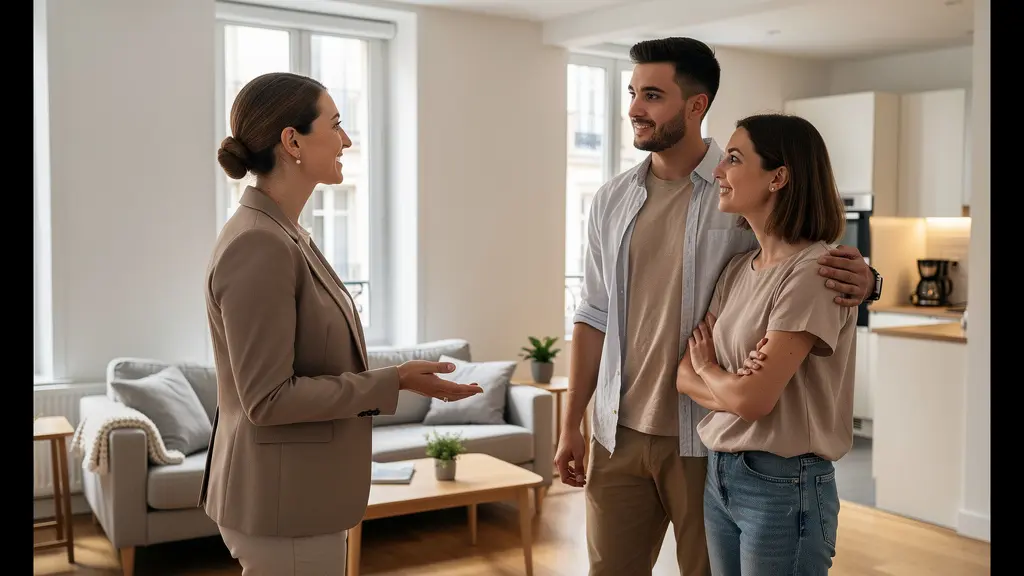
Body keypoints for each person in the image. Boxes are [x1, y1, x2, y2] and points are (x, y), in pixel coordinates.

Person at [553, 38, 882, 576]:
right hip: (618, 431)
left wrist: (869, 281)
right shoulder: (611, 199)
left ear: (696, 105)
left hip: (706, 438)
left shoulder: (738, 191)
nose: (634, 108)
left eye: (652, 95)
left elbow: (802, 258)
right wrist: (572, 424)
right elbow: (593, 314)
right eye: (632, 92)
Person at [199, 72, 482, 575]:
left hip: (297, 498)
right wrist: (391, 381)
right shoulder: (259, 243)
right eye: (336, 124)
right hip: (283, 506)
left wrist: (395, 379)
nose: (347, 139)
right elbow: (267, 399)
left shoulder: (286, 234)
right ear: (292, 141)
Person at [676, 112, 858, 575]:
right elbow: (683, 375)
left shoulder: (815, 271)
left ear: (778, 177)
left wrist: (714, 373)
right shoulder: (741, 268)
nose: (718, 170)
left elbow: (753, 400)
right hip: (722, 473)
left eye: (734, 159)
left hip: (784, 484)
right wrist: (729, 387)